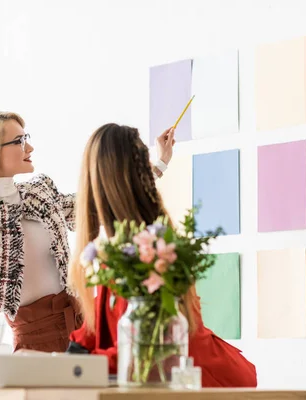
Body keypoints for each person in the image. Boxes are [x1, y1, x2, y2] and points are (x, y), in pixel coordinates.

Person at [0, 112, 175, 363]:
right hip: (36, 340)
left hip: (87, 327)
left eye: (26, 138)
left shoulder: (38, 193)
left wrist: (159, 166)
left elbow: (96, 204)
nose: (29, 147)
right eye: (19, 141)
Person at [66, 123, 257, 387]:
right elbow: (100, 328)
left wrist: (72, 366)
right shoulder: (119, 249)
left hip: (200, 382)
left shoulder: (149, 251)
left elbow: (146, 350)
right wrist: (72, 355)